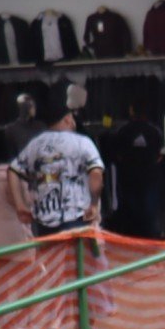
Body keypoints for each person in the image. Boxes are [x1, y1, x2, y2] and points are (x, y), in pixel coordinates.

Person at [12, 89, 105, 236]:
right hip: (77, 217)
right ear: (67, 119)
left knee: (51, 257)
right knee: (79, 256)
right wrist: (94, 204)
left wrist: (19, 205)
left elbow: (13, 171)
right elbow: (96, 174)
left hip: (44, 221)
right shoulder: (82, 142)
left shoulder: (36, 144)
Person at [105, 100, 165, 239]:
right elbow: (160, 154)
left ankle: (131, 234)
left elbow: (116, 154)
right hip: (149, 176)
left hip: (128, 176)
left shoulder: (123, 130)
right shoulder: (154, 131)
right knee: (149, 206)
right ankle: (150, 233)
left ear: (131, 110)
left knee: (130, 205)